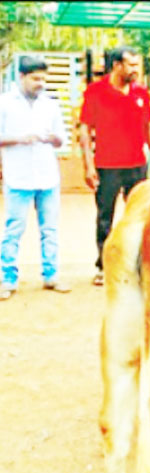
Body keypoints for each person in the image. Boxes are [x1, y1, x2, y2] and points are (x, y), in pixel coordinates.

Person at [79, 46, 150, 286]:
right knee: (105, 217)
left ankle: (137, 264)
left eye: (138, 65)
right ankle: (103, 266)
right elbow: (85, 129)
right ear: (116, 65)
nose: (136, 70)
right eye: (131, 65)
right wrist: (88, 164)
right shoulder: (95, 92)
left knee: (139, 216)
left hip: (137, 164)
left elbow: (149, 127)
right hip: (107, 165)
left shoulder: (141, 93)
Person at [0, 55, 71, 300]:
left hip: (47, 176)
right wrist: (21, 138)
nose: (40, 83)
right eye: (35, 79)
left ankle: (51, 275)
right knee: (13, 230)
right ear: (22, 77)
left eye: (43, 78)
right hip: (18, 177)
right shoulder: (5, 103)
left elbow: (62, 139)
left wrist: (52, 137)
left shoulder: (50, 104)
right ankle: (7, 279)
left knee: (50, 229)